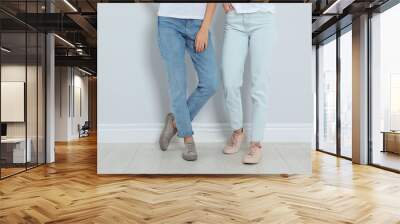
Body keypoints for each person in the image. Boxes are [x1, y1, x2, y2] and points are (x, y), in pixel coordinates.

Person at [157, 3, 219, 161]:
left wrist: (205, 28)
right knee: (178, 84)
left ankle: (176, 123)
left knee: (211, 83)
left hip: (198, 23)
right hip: (168, 22)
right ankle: (188, 139)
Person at [221, 3, 276, 164]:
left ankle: (256, 143)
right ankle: (238, 132)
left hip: (263, 18)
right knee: (230, 81)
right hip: (235, 18)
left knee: (259, 85)